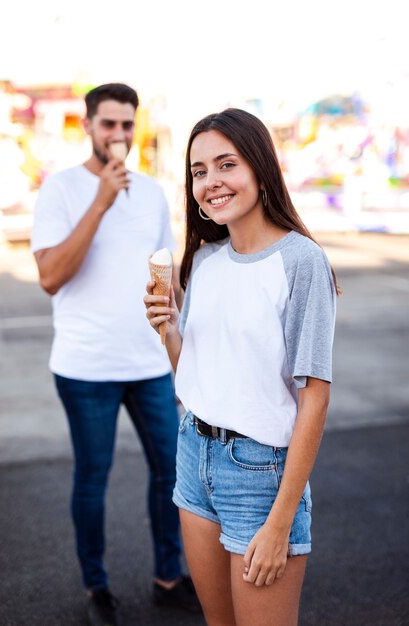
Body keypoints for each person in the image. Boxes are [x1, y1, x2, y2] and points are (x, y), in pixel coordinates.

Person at [144, 108, 338, 626]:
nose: (210, 182)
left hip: (260, 475)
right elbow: (196, 381)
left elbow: (314, 396)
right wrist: (167, 331)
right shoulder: (205, 261)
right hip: (194, 455)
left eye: (225, 164)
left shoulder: (301, 262)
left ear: (259, 167)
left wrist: (280, 524)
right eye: (199, 170)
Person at [31, 83, 199, 626]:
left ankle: (170, 577)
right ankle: (95, 588)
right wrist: (101, 202)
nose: (120, 135)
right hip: (86, 367)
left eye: (128, 125)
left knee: (171, 472)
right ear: (88, 126)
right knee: (92, 477)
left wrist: (180, 327)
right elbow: (51, 277)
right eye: (109, 124)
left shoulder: (151, 192)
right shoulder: (59, 190)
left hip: (150, 363)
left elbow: (165, 271)